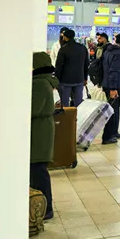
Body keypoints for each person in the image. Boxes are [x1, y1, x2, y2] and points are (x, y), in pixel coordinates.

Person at [31, 52, 57, 220]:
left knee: (38, 170)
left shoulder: (39, 84)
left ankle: (45, 209)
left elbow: (33, 109)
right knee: (38, 170)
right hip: (42, 128)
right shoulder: (45, 81)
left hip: (39, 130)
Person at [101, 33, 120, 144]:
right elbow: (114, 71)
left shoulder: (108, 50)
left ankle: (114, 131)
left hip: (108, 83)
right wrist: (113, 88)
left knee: (115, 109)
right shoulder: (118, 54)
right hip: (113, 85)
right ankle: (107, 136)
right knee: (112, 110)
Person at [54, 29, 89, 107]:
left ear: (66, 38)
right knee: (78, 103)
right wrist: (85, 77)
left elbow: (59, 66)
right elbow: (86, 64)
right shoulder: (82, 48)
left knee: (65, 104)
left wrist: (56, 80)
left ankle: (67, 118)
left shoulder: (63, 49)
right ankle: (78, 118)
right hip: (79, 79)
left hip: (65, 81)